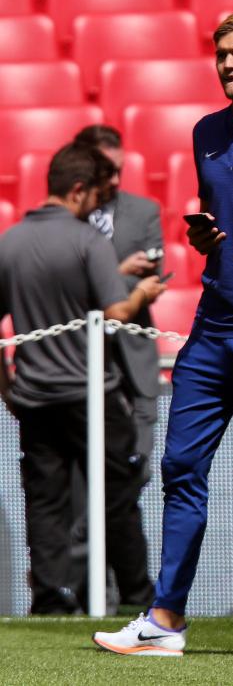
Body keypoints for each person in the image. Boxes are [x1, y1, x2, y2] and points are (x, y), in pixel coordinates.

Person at [92, 12, 233, 657]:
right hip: (212, 327)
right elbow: (224, 216)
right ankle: (166, 620)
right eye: (220, 54)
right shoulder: (206, 133)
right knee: (179, 466)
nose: (227, 64)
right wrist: (205, 237)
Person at [0, 143, 166, 615]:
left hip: (34, 396)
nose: (99, 206)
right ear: (77, 191)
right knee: (118, 495)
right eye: (95, 196)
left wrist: (7, 387)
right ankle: (137, 598)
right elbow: (115, 313)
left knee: (46, 501)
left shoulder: (8, 242)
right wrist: (144, 292)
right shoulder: (86, 240)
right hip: (91, 394)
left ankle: (50, 601)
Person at [72, 124, 164, 610]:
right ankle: (98, 592)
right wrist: (116, 272)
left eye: (118, 172)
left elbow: (156, 269)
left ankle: (125, 590)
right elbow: (64, 281)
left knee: (133, 478)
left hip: (135, 367)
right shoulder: (69, 218)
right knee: (88, 486)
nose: (112, 181)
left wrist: (109, 276)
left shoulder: (144, 211)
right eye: (103, 172)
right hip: (81, 373)